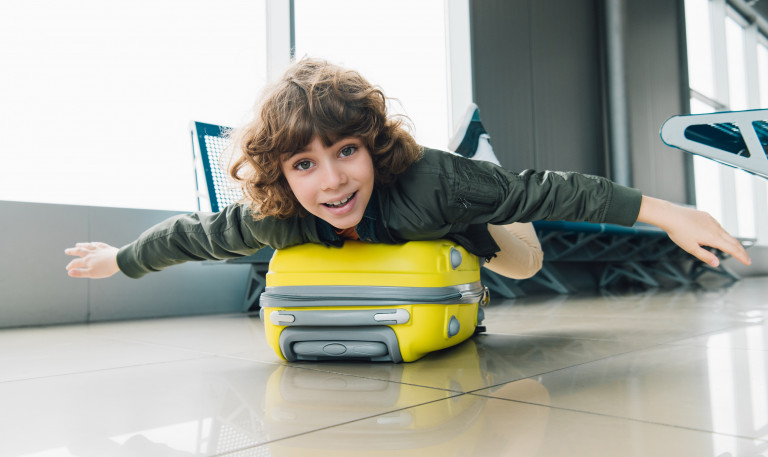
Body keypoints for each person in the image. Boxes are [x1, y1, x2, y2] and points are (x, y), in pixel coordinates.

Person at [65, 58, 751, 281]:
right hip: (411, 215)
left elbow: (552, 189)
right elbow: (194, 234)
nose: (331, 180)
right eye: (305, 164)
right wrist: (120, 258)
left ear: (370, 148)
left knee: (520, 263)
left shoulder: (433, 184)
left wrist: (673, 215)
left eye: (346, 151)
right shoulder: (274, 219)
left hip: (482, 210)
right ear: (280, 177)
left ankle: (476, 166)